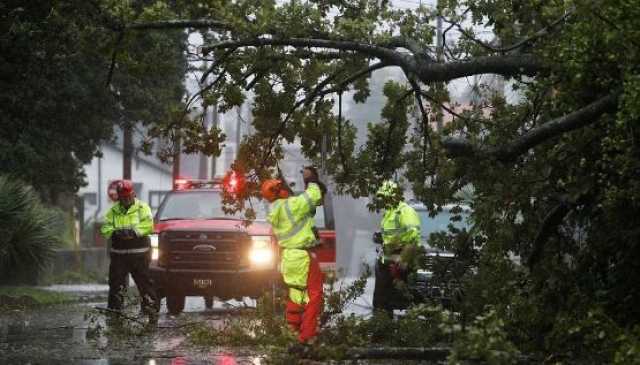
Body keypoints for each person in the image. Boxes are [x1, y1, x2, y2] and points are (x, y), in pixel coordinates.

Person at [262, 177, 324, 344]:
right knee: (314, 296)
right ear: (279, 191)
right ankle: (307, 337)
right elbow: (315, 195)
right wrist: (311, 180)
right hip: (303, 255)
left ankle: (293, 331)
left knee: (297, 296)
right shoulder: (291, 205)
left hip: (288, 258)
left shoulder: (274, 210)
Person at [100, 180, 159, 323]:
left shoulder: (142, 208)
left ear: (133, 194)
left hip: (139, 255)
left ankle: (151, 314)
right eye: (123, 197)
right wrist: (115, 233)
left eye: (128, 196)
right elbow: (105, 229)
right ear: (118, 197)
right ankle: (114, 315)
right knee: (116, 287)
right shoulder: (112, 211)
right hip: (119, 257)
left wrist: (133, 232)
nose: (125, 200)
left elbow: (149, 225)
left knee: (145, 285)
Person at [372, 180, 421, 316]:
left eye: (383, 197)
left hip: (398, 264)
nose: (381, 200)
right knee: (381, 304)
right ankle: (382, 330)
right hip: (386, 263)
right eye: (380, 197)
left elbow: (413, 238)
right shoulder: (388, 213)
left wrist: (403, 258)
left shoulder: (405, 211)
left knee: (394, 302)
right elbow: (388, 238)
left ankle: (386, 331)